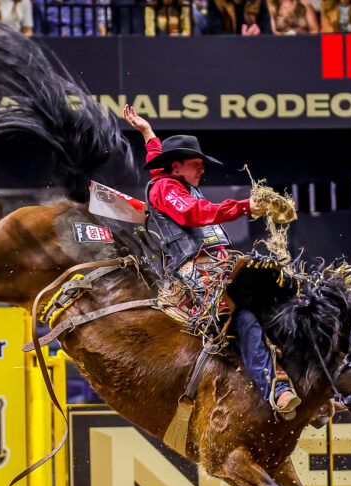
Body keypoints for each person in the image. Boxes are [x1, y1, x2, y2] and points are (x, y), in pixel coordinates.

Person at [123, 104, 300, 417]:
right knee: (242, 315)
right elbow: (191, 213)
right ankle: (275, 386)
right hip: (195, 269)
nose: (202, 169)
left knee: (280, 300)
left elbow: (156, 163)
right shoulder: (166, 188)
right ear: (176, 166)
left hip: (220, 265)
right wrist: (243, 206)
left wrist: (148, 132)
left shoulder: (175, 182)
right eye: (196, 164)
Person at [205, 0, 272, 33]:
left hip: (254, 48)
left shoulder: (258, 1)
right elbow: (215, 32)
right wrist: (241, 41)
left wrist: (255, 36)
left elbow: (267, 32)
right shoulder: (216, 2)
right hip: (224, 49)